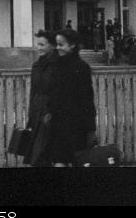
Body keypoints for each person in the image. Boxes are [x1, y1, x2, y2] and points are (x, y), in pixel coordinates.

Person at [46, 28, 96, 167]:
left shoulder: (81, 67)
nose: (58, 48)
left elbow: (87, 99)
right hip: (57, 124)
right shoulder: (56, 65)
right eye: (57, 44)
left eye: (61, 44)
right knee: (58, 161)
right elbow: (53, 92)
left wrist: (91, 129)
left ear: (72, 45)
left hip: (76, 125)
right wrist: (49, 111)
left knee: (75, 161)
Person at [24, 29, 59, 166]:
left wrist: (52, 113)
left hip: (51, 115)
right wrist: (31, 117)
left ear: (52, 45)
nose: (39, 48)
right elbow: (33, 92)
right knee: (38, 156)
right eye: (37, 44)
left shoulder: (58, 65)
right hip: (38, 113)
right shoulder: (37, 65)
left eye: (42, 45)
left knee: (47, 154)